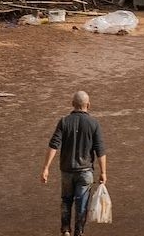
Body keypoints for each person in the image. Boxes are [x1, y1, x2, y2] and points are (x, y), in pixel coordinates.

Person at [43, 91, 108, 236]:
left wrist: (46, 168)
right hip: (85, 172)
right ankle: (79, 232)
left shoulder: (64, 121)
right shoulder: (94, 123)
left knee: (66, 200)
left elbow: (54, 145)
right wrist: (103, 172)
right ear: (88, 105)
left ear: (72, 104)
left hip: (66, 170)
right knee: (82, 203)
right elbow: (100, 150)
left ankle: (65, 230)